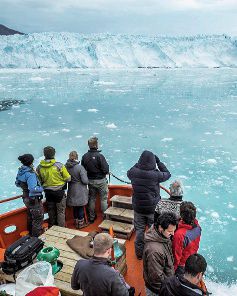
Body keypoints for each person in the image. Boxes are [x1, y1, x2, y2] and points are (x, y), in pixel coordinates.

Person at [127, 150, 171, 259]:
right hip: (152, 209)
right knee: (153, 233)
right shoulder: (155, 175)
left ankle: (139, 254)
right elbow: (167, 173)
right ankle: (151, 254)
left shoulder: (133, 172)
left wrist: (139, 164)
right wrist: (159, 162)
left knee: (139, 232)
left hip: (138, 208)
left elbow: (130, 171)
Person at [143, 212, 177, 296]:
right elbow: (156, 278)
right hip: (158, 290)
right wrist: (167, 290)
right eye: (170, 231)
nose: (173, 234)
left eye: (174, 230)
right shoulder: (154, 251)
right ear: (161, 228)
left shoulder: (162, 236)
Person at [37, 146, 71, 228]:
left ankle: (52, 227)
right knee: (60, 211)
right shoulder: (59, 166)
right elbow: (68, 178)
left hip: (48, 192)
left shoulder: (39, 167)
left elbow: (39, 181)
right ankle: (61, 229)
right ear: (54, 154)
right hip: (59, 192)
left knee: (51, 211)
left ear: (44, 154)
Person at [81, 137, 109, 223]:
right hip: (101, 181)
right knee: (103, 199)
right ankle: (105, 217)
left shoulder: (85, 156)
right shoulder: (100, 156)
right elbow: (106, 170)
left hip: (90, 181)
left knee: (92, 198)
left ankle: (92, 217)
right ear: (96, 145)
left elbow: (83, 169)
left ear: (89, 145)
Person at [15, 154, 44, 237]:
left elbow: (17, 183)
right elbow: (33, 188)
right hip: (33, 199)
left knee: (31, 217)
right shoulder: (30, 174)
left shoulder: (20, 171)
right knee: (38, 219)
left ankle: (31, 237)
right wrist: (42, 188)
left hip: (25, 198)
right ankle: (36, 239)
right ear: (31, 162)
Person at [172, 201, 201, 276]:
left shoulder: (179, 235)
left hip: (181, 265)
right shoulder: (198, 227)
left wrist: (173, 270)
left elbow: (176, 256)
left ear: (181, 215)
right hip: (191, 259)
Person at [65, 151, 89, 229]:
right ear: (77, 157)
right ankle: (80, 223)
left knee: (74, 206)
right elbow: (85, 181)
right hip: (80, 189)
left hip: (71, 188)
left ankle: (75, 222)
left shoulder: (66, 167)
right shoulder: (80, 167)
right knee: (80, 206)